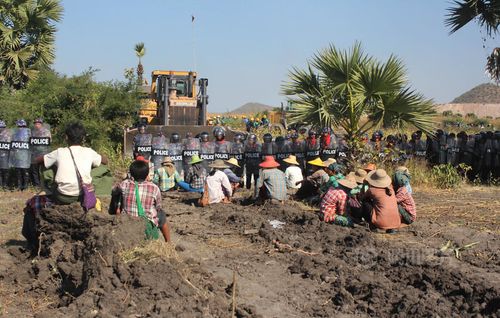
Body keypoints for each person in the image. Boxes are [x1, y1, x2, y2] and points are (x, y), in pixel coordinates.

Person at [23, 122, 108, 250]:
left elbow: (38, 161)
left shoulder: (59, 152)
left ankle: (31, 242)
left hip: (61, 197)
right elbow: (105, 161)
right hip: (82, 196)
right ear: (83, 138)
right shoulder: (89, 152)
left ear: (66, 137)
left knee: (30, 204)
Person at [113, 160, 171, 242]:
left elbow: (114, 191)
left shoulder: (124, 184)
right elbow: (158, 206)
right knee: (161, 214)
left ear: (131, 174)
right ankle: (168, 243)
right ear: (147, 174)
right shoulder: (154, 188)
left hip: (128, 221)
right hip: (145, 224)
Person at [0, 120, 11, 190]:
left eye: (2, 127)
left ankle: (5, 185)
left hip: (5, 155)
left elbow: (10, 145)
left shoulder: (8, 134)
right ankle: (1, 185)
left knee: (5, 171)